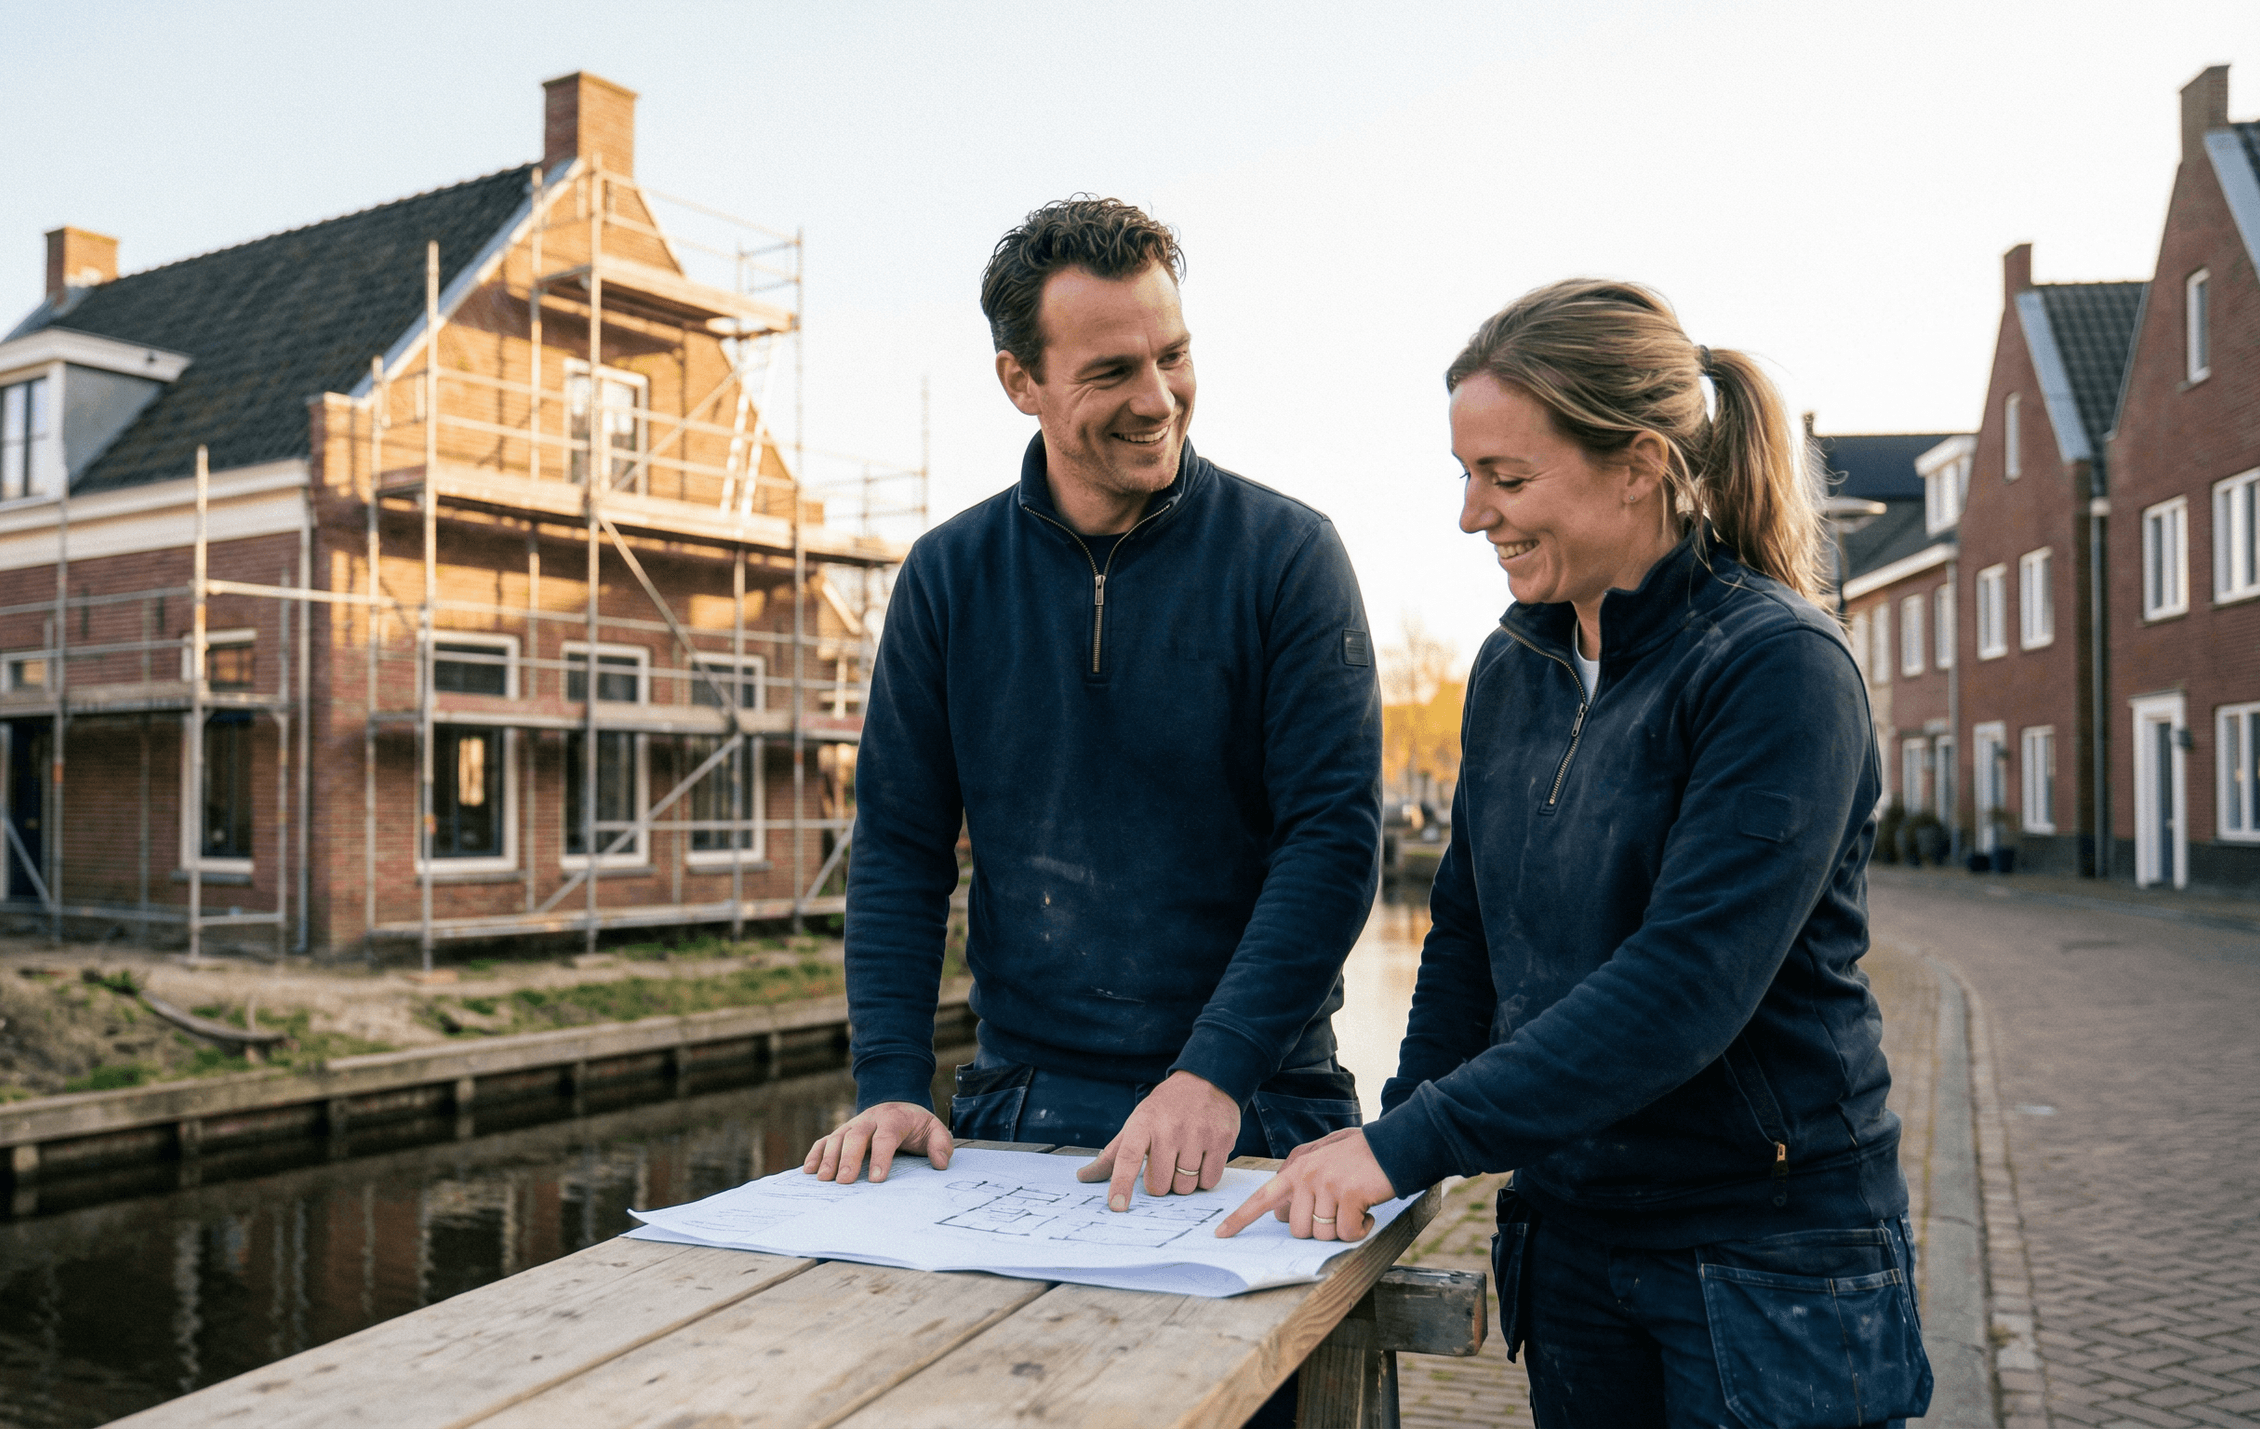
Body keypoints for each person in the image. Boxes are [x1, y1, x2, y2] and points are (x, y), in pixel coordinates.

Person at [1222, 279, 1932, 1426]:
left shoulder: (1777, 670)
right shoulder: (1514, 667)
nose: (1471, 514)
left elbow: (1682, 988)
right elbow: (1467, 934)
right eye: (1465, 476)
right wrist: (1392, 1139)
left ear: (1639, 464)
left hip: (1761, 1261)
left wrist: (1410, 1145)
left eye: (1505, 478)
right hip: (1572, 1243)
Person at [806, 198, 1382, 1214]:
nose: (1157, 397)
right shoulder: (948, 578)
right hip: (1024, 1102)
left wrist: (1214, 1070)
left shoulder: (1288, 559)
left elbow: (1331, 843)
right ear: (1019, 382)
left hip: (1258, 1098)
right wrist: (889, 1081)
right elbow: (899, 847)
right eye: (1112, 371)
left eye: (1172, 355)